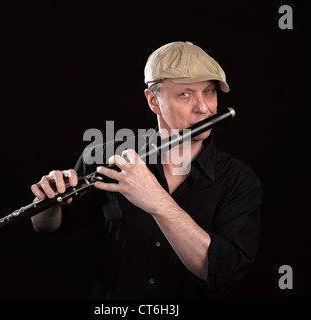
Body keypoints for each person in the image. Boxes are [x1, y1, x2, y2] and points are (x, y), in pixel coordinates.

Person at [31, 41, 262, 299]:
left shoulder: (240, 181)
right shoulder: (104, 158)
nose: (204, 108)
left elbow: (220, 272)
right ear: (153, 101)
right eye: (185, 94)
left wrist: (157, 201)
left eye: (208, 91)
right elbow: (48, 225)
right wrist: (47, 204)